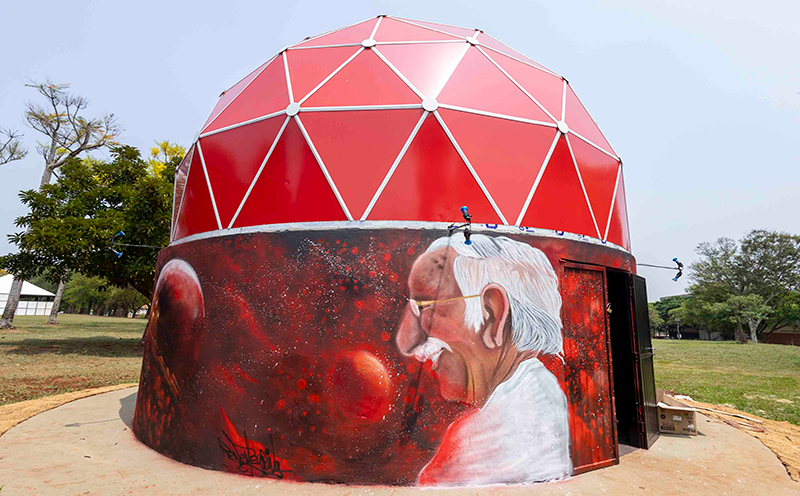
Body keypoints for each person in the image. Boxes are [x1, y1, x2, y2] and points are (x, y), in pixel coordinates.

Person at [395, 234, 571, 486]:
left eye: (425, 306)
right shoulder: (540, 394)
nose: (407, 342)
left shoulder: (475, 447)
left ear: (492, 314)